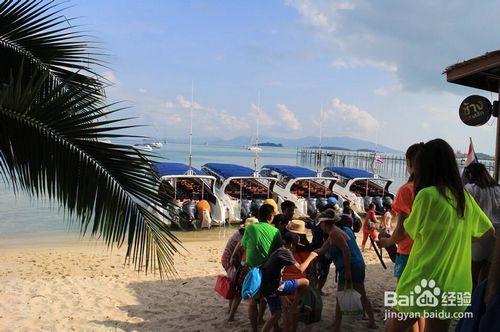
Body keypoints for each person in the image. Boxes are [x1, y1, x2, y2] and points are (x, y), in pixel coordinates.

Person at [384, 139, 494, 332]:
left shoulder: (427, 195)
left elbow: (408, 231)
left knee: (393, 329)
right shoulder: (463, 197)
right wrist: (458, 238)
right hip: (454, 283)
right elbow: (488, 231)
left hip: (423, 278)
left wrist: (387, 240)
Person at [377, 142, 424, 332]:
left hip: (407, 253)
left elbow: (402, 229)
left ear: (410, 162)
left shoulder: (407, 190)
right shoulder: (432, 190)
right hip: (424, 252)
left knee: (405, 306)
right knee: (420, 305)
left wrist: (387, 241)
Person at [316, 209, 377, 331]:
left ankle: (337, 326)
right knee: (358, 294)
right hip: (356, 264)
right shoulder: (338, 231)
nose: (320, 226)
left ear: (326, 223)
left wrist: (348, 271)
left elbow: (346, 250)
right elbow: (323, 249)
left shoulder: (334, 233)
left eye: (321, 224)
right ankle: (371, 322)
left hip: (351, 266)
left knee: (352, 295)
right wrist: (311, 255)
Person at [260, 232, 318, 332]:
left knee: (277, 314)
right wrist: (311, 256)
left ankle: (293, 306)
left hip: (266, 287)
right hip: (273, 287)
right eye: (295, 246)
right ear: (291, 245)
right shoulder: (285, 252)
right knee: (305, 282)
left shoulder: (278, 251)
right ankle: (295, 305)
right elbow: (300, 269)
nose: (295, 249)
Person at [240, 204, 282, 332]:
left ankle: (254, 329)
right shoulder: (276, 231)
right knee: (270, 300)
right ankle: (274, 326)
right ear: (270, 217)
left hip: (253, 270)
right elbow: (278, 252)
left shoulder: (250, 228)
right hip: (269, 270)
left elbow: (244, 246)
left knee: (252, 302)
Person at [464, 162, 500, 286]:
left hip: (478, 237)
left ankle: (472, 303)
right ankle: (480, 303)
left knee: (472, 277)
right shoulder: (498, 189)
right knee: (485, 279)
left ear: (470, 174)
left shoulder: (471, 189)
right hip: (496, 238)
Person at [222, 217, 258, 321]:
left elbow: (235, 254)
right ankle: (231, 311)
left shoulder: (242, 235)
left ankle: (231, 312)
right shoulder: (246, 237)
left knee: (236, 289)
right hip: (233, 262)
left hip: (236, 263)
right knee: (240, 291)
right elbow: (235, 255)